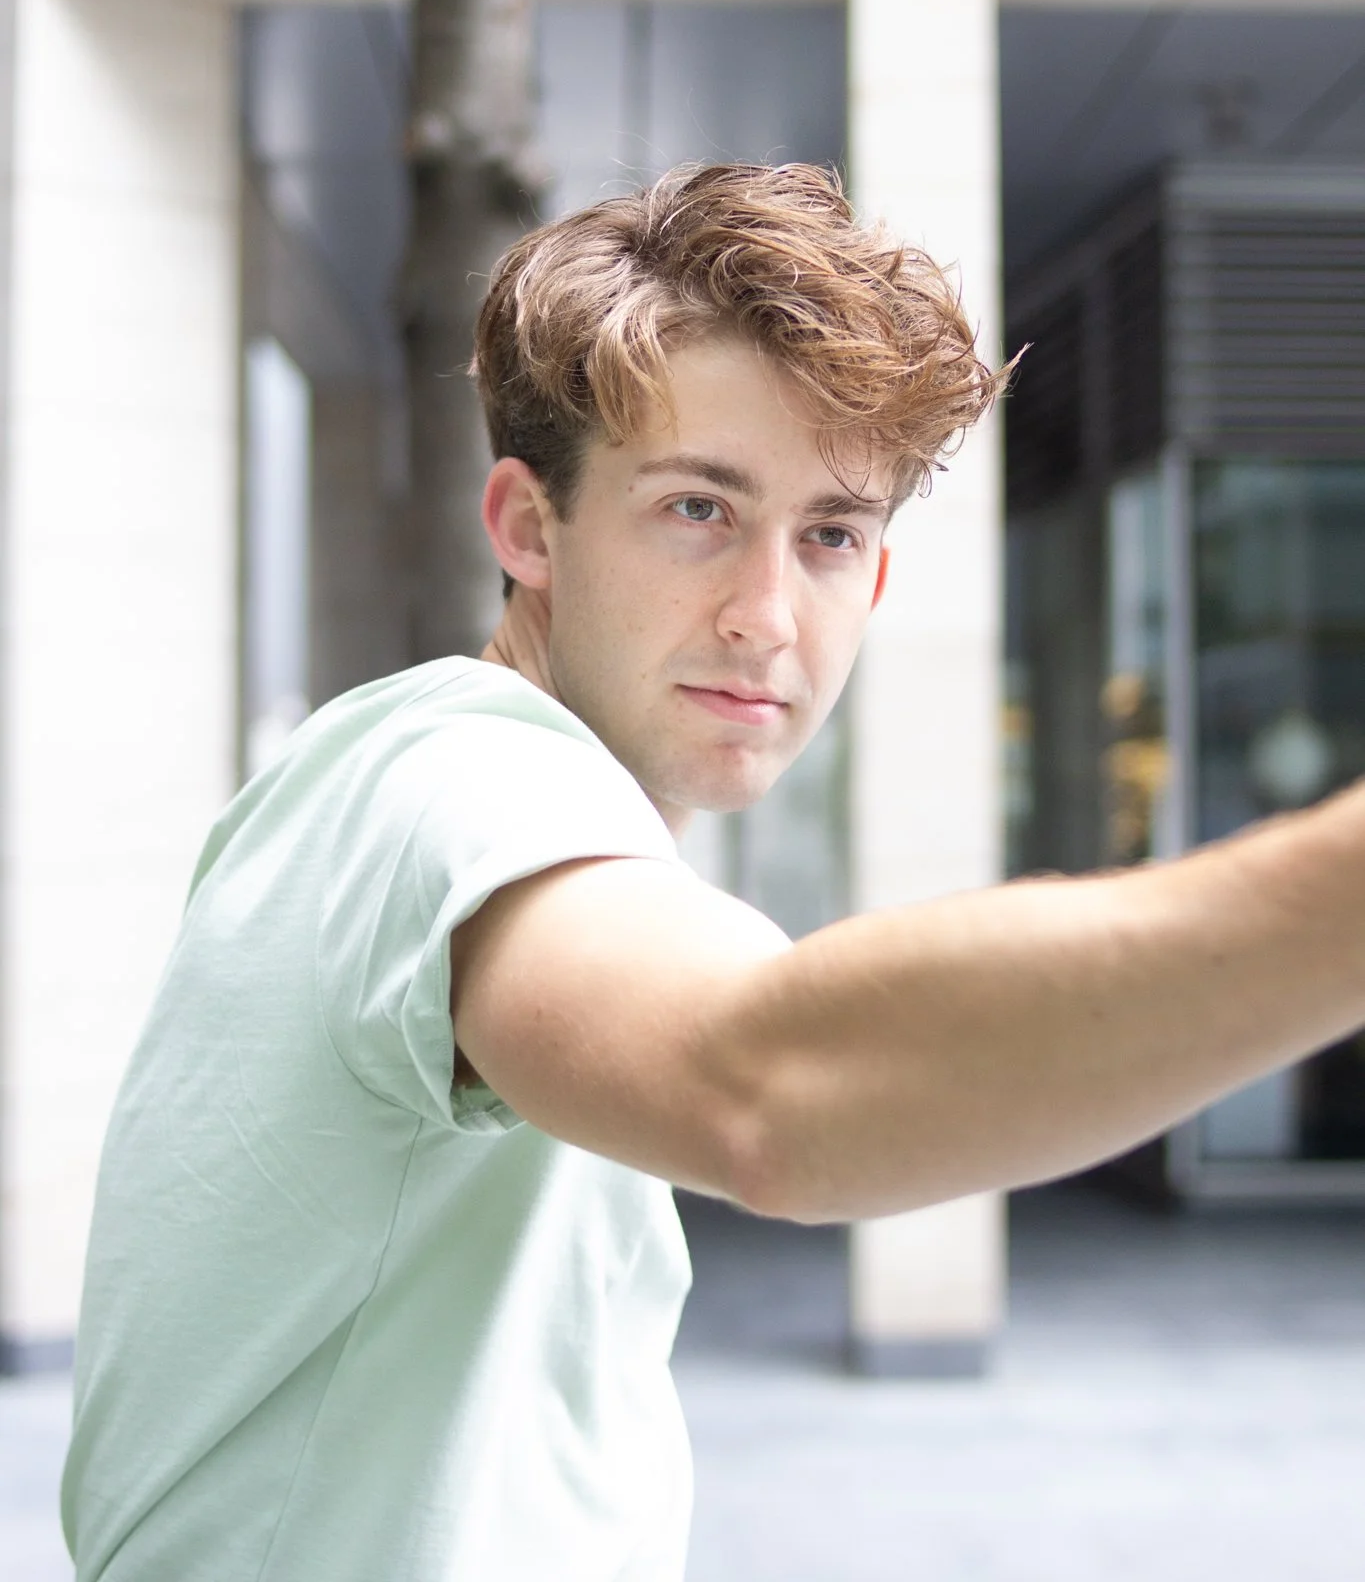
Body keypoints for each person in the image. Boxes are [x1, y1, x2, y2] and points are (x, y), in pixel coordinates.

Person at [62, 163, 1365, 1581]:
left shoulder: (451, 791)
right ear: (526, 526)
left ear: (873, 584)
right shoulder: (448, 777)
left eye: (829, 536)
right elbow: (769, 1088)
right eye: (697, 509)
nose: (765, 615)